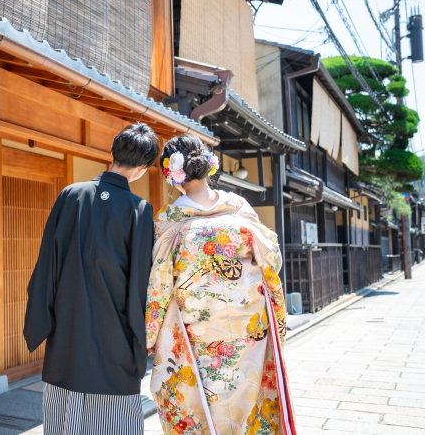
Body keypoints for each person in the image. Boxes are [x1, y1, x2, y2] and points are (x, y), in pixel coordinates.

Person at [147, 135, 296, 435]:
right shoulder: (240, 210)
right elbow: (272, 260)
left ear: (174, 177)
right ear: (207, 168)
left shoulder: (171, 224)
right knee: (249, 403)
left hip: (198, 338)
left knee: (204, 407)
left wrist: (149, 334)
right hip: (249, 332)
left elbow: (160, 283)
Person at [23, 122, 160, 435]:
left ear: (111, 153)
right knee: (113, 423)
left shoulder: (71, 195)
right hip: (116, 337)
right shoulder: (139, 209)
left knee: (63, 422)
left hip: (68, 331)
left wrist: (43, 320)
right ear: (142, 167)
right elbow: (142, 283)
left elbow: (47, 263)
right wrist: (146, 337)